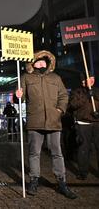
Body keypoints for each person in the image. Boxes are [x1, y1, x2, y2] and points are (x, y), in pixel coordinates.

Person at [15, 50, 77, 199]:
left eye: (44, 61)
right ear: (33, 63)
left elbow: (63, 95)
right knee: (34, 153)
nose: (41, 63)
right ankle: (34, 180)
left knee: (57, 153)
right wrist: (17, 95)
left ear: (48, 63)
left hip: (54, 121)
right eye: (38, 61)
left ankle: (62, 182)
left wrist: (59, 110)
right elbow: (20, 97)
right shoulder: (26, 77)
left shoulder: (56, 78)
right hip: (34, 121)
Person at [69, 74, 99, 180]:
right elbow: (73, 105)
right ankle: (83, 172)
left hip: (96, 123)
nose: (91, 80)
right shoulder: (77, 92)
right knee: (83, 149)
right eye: (89, 79)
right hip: (83, 124)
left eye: (93, 78)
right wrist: (86, 96)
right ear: (83, 81)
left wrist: (94, 95)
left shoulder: (97, 91)